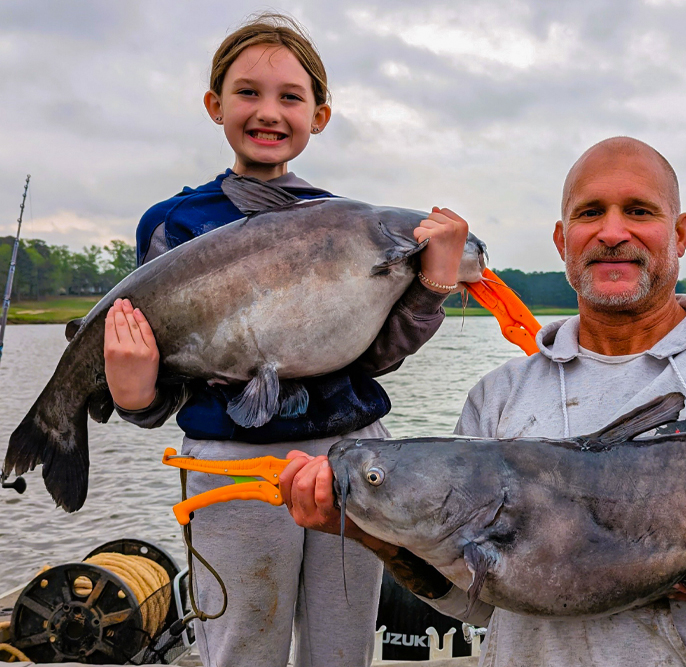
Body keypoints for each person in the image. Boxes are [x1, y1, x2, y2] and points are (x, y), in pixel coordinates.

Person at [283, 136, 686, 666]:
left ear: (679, 233)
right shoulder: (500, 398)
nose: (611, 232)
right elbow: (480, 600)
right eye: (589, 213)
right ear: (562, 240)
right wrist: (366, 529)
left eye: (639, 210)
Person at [103, 13, 469, 667]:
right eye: (248, 92)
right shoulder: (171, 224)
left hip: (356, 463)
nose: (268, 111)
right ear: (215, 104)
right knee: (242, 644)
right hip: (227, 467)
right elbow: (159, 384)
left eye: (290, 97)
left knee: (342, 646)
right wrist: (134, 395)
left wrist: (430, 290)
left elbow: (374, 354)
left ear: (319, 116)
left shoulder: (348, 221)